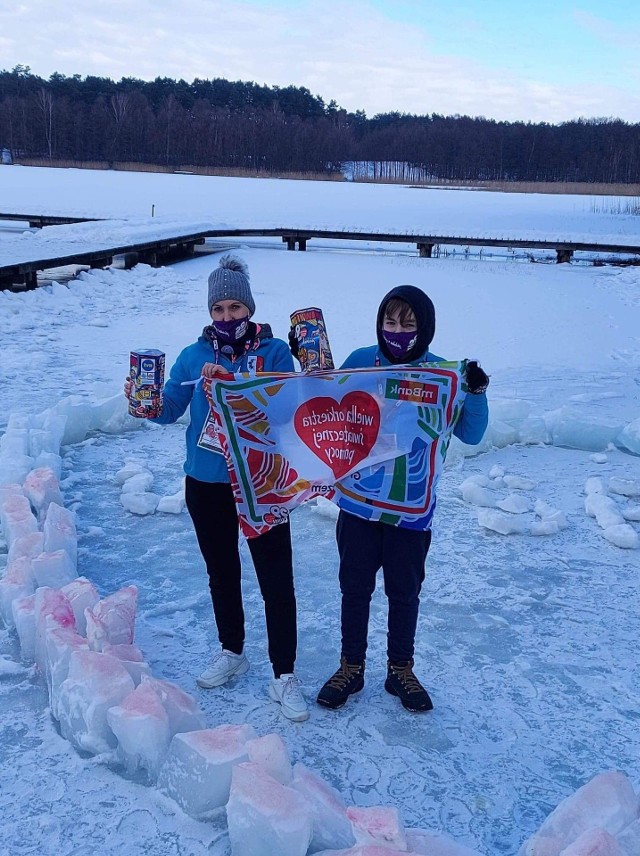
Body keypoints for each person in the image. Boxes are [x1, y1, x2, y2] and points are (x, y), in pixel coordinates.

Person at [124, 255, 308, 722]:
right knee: (222, 573)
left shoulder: (275, 353)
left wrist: (238, 382)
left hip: (261, 480)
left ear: (248, 308)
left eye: (235, 308)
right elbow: (169, 408)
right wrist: (143, 404)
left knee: (275, 579)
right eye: (218, 309)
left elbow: (286, 409)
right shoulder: (192, 355)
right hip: (205, 483)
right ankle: (232, 649)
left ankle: (284, 674)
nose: (227, 318)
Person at [313, 285, 489, 713]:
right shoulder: (360, 362)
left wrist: (477, 392)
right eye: (390, 322)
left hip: (411, 513)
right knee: (354, 589)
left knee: (404, 592)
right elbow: (325, 405)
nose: (397, 331)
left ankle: (400, 670)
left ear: (424, 329)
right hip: (357, 504)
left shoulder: (443, 374)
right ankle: (351, 666)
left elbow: (472, 434)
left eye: (408, 324)